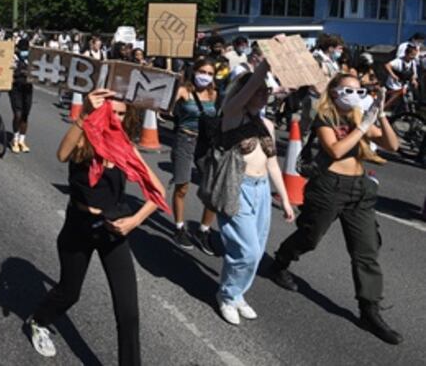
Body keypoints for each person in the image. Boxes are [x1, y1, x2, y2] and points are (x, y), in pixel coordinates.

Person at [25, 89, 167, 364]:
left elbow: (157, 193)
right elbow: (62, 153)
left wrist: (134, 221)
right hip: (78, 226)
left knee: (128, 311)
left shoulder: (126, 148)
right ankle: (39, 320)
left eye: (122, 113)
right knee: (69, 292)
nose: (116, 117)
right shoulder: (84, 141)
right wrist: (86, 114)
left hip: (112, 230)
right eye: (112, 111)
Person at [269, 74, 403, 345]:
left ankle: (370, 310)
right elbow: (336, 150)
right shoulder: (325, 117)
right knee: (310, 237)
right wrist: (363, 127)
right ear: (334, 91)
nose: (354, 95)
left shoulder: (358, 115)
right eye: (348, 90)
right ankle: (282, 260)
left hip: (360, 188)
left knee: (366, 252)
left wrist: (381, 115)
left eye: (359, 90)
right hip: (329, 187)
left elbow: (393, 145)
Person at [212, 61, 295, 325]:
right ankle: (226, 295)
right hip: (236, 187)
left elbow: (272, 163)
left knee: (255, 252)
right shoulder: (233, 113)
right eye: (256, 91)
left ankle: (237, 294)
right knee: (246, 250)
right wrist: (266, 65)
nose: (262, 95)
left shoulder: (267, 124)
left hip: (261, 192)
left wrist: (285, 198)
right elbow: (248, 89)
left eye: (265, 91)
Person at [169, 57, 220, 254]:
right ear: (195, 71)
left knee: (214, 188)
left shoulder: (213, 94)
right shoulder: (184, 91)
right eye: (202, 72)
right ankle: (179, 228)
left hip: (205, 144)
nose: (205, 77)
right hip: (185, 140)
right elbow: (164, 105)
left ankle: (204, 231)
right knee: (182, 186)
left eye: (209, 74)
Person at [9, 38, 34, 154]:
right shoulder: (12, 57)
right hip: (15, 88)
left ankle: (22, 140)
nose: (24, 51)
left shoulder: (32, 59)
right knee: (18, 114)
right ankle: (15, 139)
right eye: (22, 49)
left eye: (26, 49)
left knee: (25, 115)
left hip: (28, 88)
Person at [383, 44, 417, 111]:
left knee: (409, 101)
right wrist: (393, 75)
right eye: (411, 55)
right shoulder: (398, 61)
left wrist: (414, 80)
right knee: (391, 102)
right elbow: (387, 65)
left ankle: (409, 114)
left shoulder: (413, 62)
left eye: (414, 56)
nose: (413, 57)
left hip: (405, 85)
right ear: (406, 54)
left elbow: (413, 73)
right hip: (394, 85)